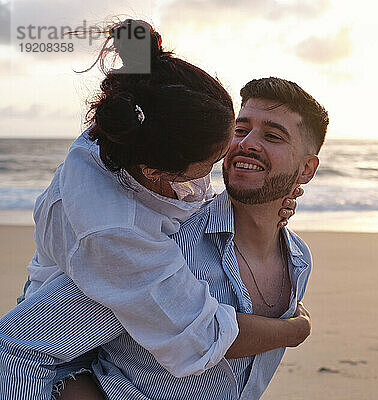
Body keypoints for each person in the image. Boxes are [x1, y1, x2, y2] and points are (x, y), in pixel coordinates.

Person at [0, 20, 310, 399]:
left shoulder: (297, 260)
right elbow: (18, 350)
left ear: (308, 169)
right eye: (238, 132)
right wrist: (296, 331)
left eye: (272, 136)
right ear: (157, 172)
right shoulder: (132, 250)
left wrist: (266, 210)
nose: (239, 147)